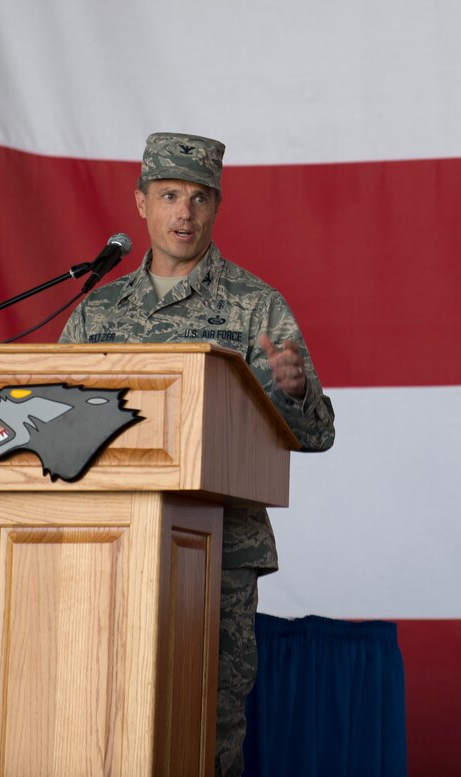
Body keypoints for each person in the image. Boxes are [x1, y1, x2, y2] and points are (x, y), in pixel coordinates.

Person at [59, 132, 336, 777]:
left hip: (218, 553)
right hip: (107, 547)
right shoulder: (97, 310)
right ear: (141, 204)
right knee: (102, 717)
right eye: (170, 195)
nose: (184, 213)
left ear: (216, 207)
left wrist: (293, 391)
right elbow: (56, 420)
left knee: (207, 728)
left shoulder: (254, 305)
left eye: (200, 198)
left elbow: (318, 432)